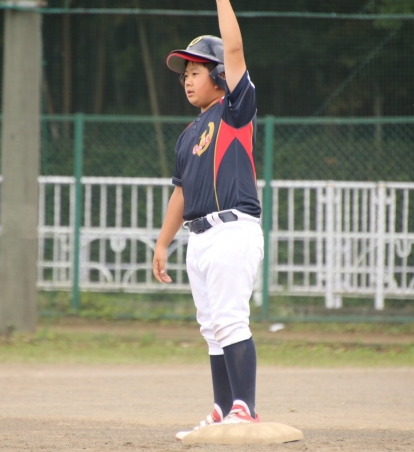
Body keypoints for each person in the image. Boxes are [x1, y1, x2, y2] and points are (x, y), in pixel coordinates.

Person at [152, 0, 264, 441]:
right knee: (212, 329)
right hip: (199, 238)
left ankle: (245, 409)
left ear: (219, 76)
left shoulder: (235, 110)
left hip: (232, 230)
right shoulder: (189, 134)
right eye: (185, 73)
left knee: (231, 320)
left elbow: (234, 49)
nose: (187, 79)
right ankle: (222, 409)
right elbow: (180, 192)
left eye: (196, 71)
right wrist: (163, 242)